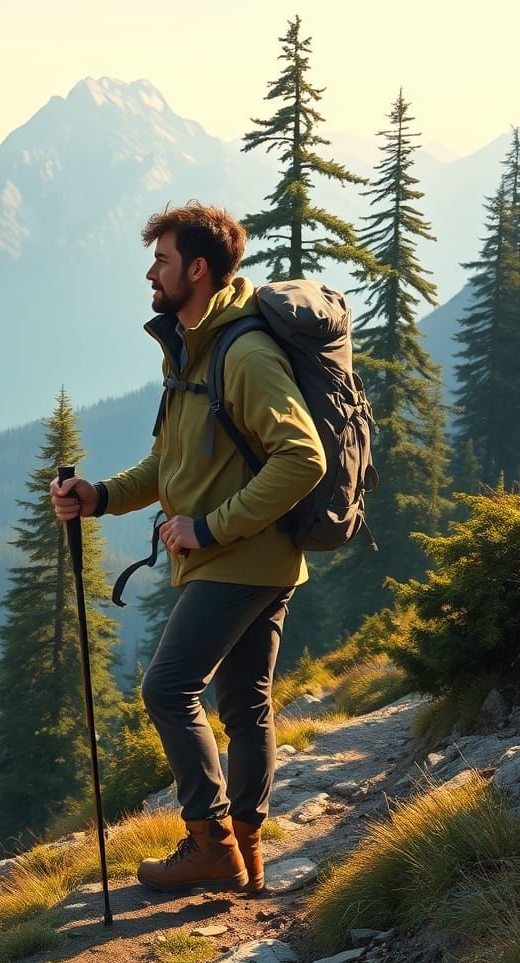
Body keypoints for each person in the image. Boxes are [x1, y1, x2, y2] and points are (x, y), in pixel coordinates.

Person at [50, 202, 326, 895]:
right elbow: (171, 467)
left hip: (237, 559)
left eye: (163, 261)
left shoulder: (244, 354)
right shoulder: (194, 349)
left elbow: (303, 458)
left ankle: (208, 841)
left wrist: (208, 528)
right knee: (245, 704)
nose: (151, 272)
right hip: (255, 559)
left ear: (197, 270)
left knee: (168, 687)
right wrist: (102, 496)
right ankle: (247, 855)